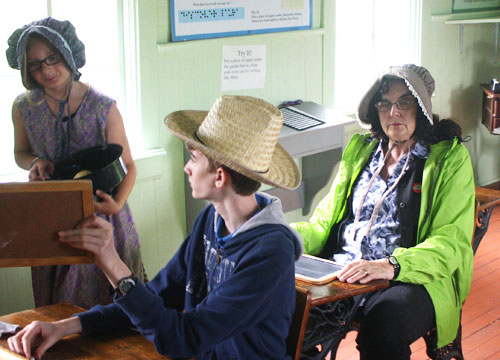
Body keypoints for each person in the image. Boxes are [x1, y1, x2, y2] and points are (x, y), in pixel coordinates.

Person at [7, 95, 304, 360]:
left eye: (194, 158)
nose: (187, 167)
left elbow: (184, 339)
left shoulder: (270, 253)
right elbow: (159, 296)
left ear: (219, 177)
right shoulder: (210, 221)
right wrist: (68, 326)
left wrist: (112, 263)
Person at [291, 64, 475, 359]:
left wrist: (391, 265)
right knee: (277, 308)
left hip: (413, 277)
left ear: (422, 109)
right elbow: (324, 221)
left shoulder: (448, 158)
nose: (394, 112)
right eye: (385, 103)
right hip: (341, 273)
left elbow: (450, 242)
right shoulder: (362, 150)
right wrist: (283, 238)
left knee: (383, 327)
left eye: (405, 102)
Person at [6, 17, 147, 308]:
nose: (46, 70)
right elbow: (20, 152)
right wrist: (36, 161)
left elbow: (129, 165)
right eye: (34, 64)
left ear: (68, 53)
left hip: (103, 218)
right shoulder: (24, 108)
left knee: (114, 307)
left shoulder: (102, 107)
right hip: (53, 218)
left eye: (52, 58)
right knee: (59, 308)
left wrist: (117, 204)